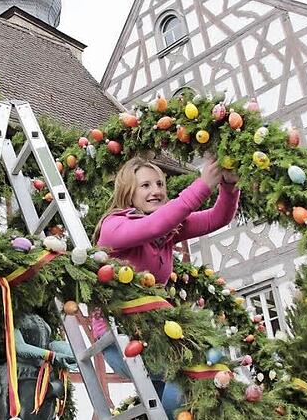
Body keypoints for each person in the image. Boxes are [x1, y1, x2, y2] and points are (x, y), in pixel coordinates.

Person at [91, 155, 239, 418]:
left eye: (159, 184)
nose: (156, 191)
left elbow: (217, 218)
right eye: (145, 186)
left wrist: (228, 186)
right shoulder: (114, 226)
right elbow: (154, 225)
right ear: (129, 192)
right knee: (188, 378)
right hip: (120, 337)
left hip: (156, 332)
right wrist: (202, 184)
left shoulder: (167, 232)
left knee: (167, 400)